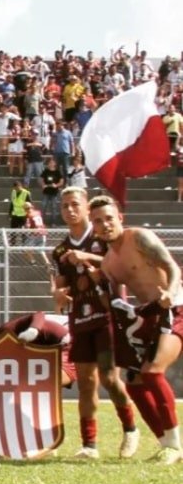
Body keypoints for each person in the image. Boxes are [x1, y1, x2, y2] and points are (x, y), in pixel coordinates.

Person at [89, 195, 183, 464]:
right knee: (133, 382)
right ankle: (165, 443)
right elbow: (117, 303)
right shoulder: (108, 264)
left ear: (120, 218)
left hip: (175, 306)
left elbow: (171, 266)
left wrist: (171, 291)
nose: (105, 224)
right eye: (98, 221)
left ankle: (175, 446)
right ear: (93, 228)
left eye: (109, 218)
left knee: (152, 372)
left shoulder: (140, 237)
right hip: (148, 316)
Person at [51, 187, 138, 459]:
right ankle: (89, 445)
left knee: (110, 378)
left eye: (75, 204)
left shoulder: (104, 237)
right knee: (86, 383)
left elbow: (122, 267)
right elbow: (61, 286)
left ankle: (130, 430)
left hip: (108, 315)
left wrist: (89, 257)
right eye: (65, 206)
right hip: (80, 318)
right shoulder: (61, 249)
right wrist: (57, 293)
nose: (70, 210)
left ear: (87, 207)